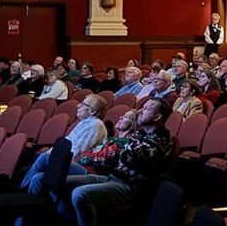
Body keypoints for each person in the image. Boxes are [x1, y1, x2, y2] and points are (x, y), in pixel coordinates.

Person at [64, 98, 175, 226]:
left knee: (79, 194)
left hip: (130, 187)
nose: (139, 111)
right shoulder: (140, 134)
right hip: (113, 176)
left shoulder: (161, 141)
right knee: (59, 181)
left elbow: (125, 158)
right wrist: (117, 155)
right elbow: (117, 157)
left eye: (146, 109)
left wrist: (117, 155)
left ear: (157, 117)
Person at [19, 94, 109, 192]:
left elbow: (78, 152)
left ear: (93, 111)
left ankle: (21, 192)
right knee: (37, 177)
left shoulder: (96, 125)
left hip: (83, 167)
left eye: (83, 104)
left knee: (44, 158)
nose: (78, 106)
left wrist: (53, 158)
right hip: (69, 161)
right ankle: (30, 202)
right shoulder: (85, 122)